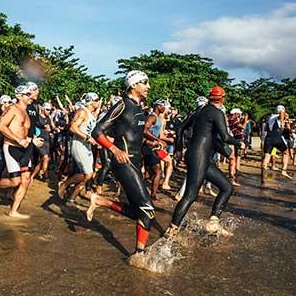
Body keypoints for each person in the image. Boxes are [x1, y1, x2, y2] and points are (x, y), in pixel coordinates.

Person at [86, 70, 156, 258]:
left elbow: (134, 137)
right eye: (145, 82)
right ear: (133, 85)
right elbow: (97, 131)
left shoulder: (139, 108)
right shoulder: (122, 105)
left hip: (133, 163)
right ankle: (139, 254)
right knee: (148, 209)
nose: (148, 86)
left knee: (138, 212)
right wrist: (115, 150)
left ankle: (100, 201)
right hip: (122, 163)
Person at [166, 86, 243, 237]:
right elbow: (226, 137)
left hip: (199, 156)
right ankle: (172, 229)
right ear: (222, 98)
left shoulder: (200, 111)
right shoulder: (217, 113)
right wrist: (240, 143)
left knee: (227, 187)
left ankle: (213, 222)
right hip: (199, 156)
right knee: (190, 195)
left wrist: (179, 149)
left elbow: (182, 127)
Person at [0, 85, 37, 218]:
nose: (30, 97)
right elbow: (2, 127)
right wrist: (19, 140)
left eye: (30, 94)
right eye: (27, 94)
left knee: (26, 180)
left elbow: (24, 132)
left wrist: (32, 140)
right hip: (12, 147)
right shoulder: (12, 109)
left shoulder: (27, 112)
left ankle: (14, 211)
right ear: (19, 96)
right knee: (15, 182)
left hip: (25, 149)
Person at [57, 93, 100, 203]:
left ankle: (71, 199)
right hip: (79, 145)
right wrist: (87, 138)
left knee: (89, 175)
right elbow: (72, 127)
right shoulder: (82, 112)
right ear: (91, 102)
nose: (99, 102)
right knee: (88, 174)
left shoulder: (91, 114)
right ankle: (64, 184)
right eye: (97, 100)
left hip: (87, 147)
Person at [261, 105, 292, 185]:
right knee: (286, 152)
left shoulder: (270, 117)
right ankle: (284, 170)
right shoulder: (278, 116)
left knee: (266, 158)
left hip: (268, 139)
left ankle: (263, 179)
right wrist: (282, 123)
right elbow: (281, 113)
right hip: (277, 137)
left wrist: (285, 121)